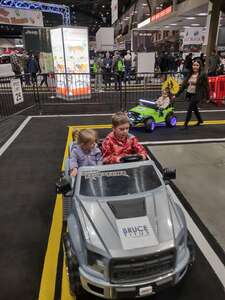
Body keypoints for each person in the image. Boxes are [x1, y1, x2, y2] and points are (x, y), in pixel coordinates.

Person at [175, 59, 209, 130]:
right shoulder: (190, 74)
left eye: (197, 65)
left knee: (190, 108)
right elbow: (184, 85)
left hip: (197, 94)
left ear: (200, 66)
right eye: (194, 65)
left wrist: (207, 97)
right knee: (195, 108)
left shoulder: (203, 74)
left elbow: (206, 86)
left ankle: (185, 125)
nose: (195, 67)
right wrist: (176, 94)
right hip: (190, 93)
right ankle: (200, 120)